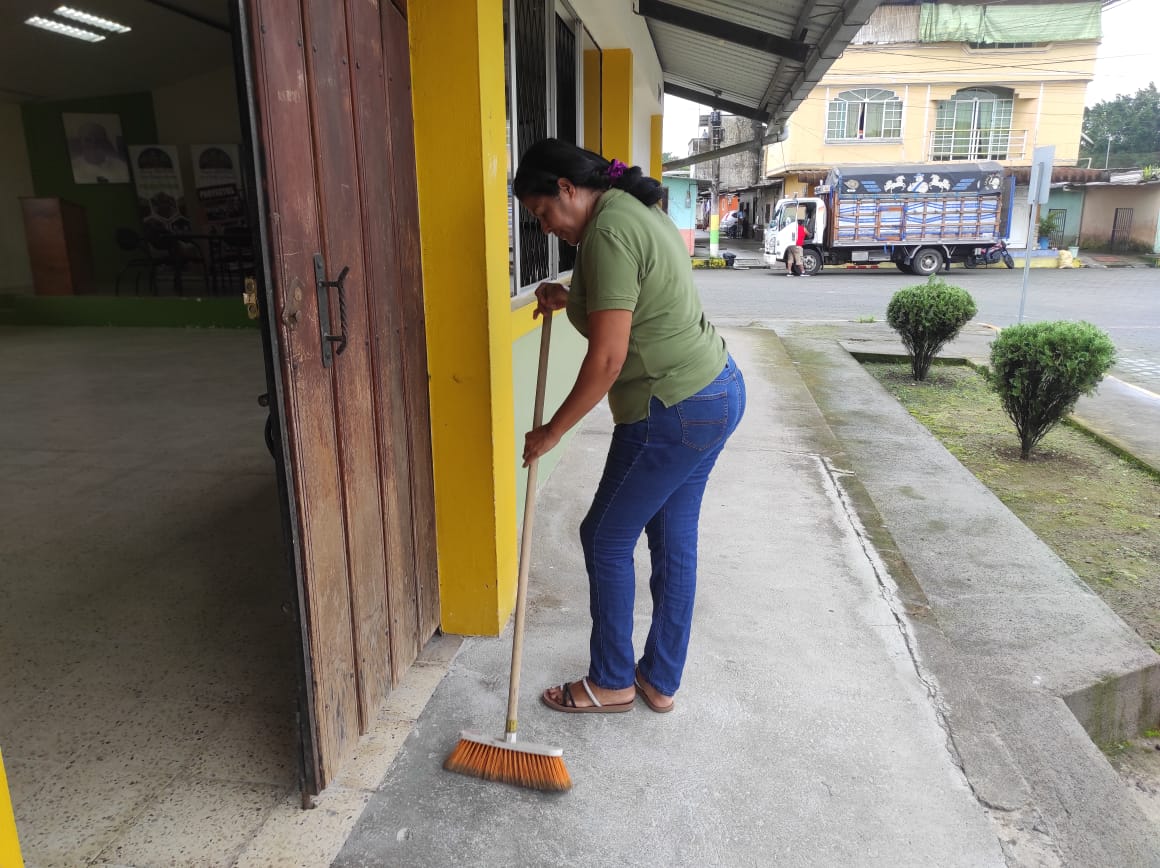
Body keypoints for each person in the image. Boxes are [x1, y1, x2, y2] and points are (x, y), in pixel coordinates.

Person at [514, 138, 746, 715]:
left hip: (669, 407)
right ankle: (659, 679)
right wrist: (571, 297)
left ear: (567, 189)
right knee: (672, 536)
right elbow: (633, 298)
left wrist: (553, 430)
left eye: (543, 212)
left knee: (605, 537)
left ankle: (611, 680)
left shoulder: (607, 232)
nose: (544, 227)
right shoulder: (631, 207)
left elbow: (608, 358)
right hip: (715, 389)